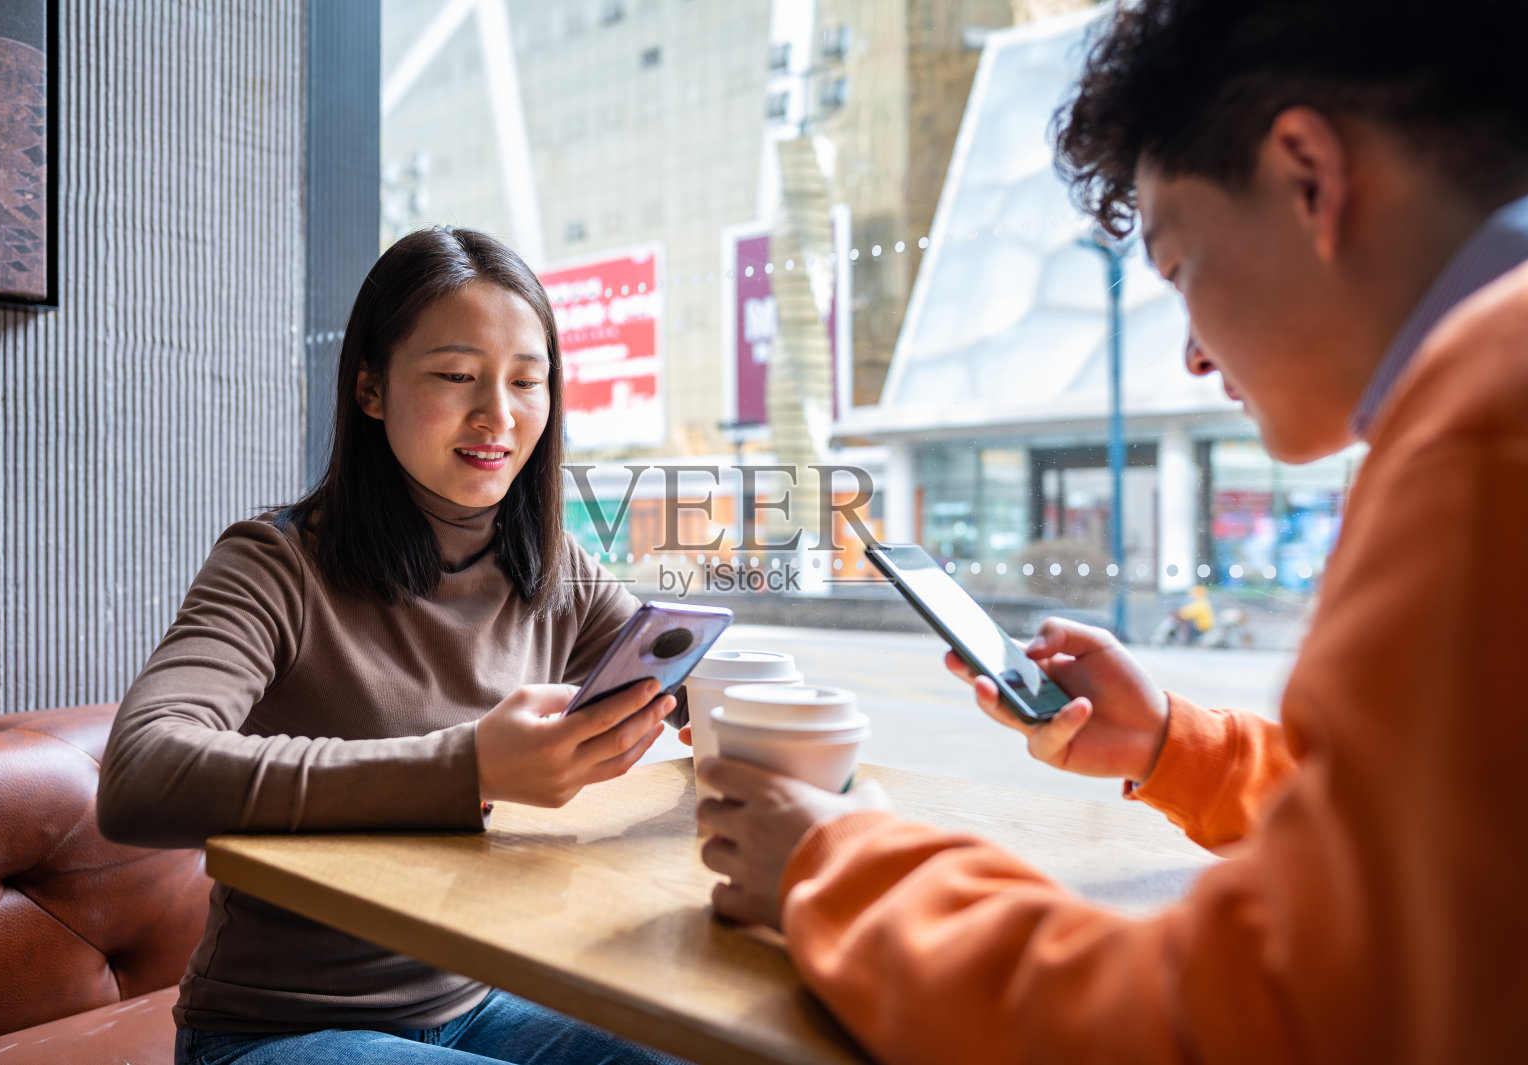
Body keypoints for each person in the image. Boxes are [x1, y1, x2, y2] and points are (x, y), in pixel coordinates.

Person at [695, 1, 1528, 1061]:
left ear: (1307, 175)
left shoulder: (1483, 426)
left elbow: (1251, 1022)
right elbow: (1444, 865)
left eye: (1179, 267)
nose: (1189, 353)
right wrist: (1179, 750)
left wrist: (833, 865)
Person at [97, 228, 681, 1065]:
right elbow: (140, 775)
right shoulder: (277, 562)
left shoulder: (546, 562)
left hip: (474, 998)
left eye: (527, 381)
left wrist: (725, 691)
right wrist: (469, 767)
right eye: (455, 376)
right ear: (370, 387)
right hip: (277, 1029)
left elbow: (659, 654)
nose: (499, 416)